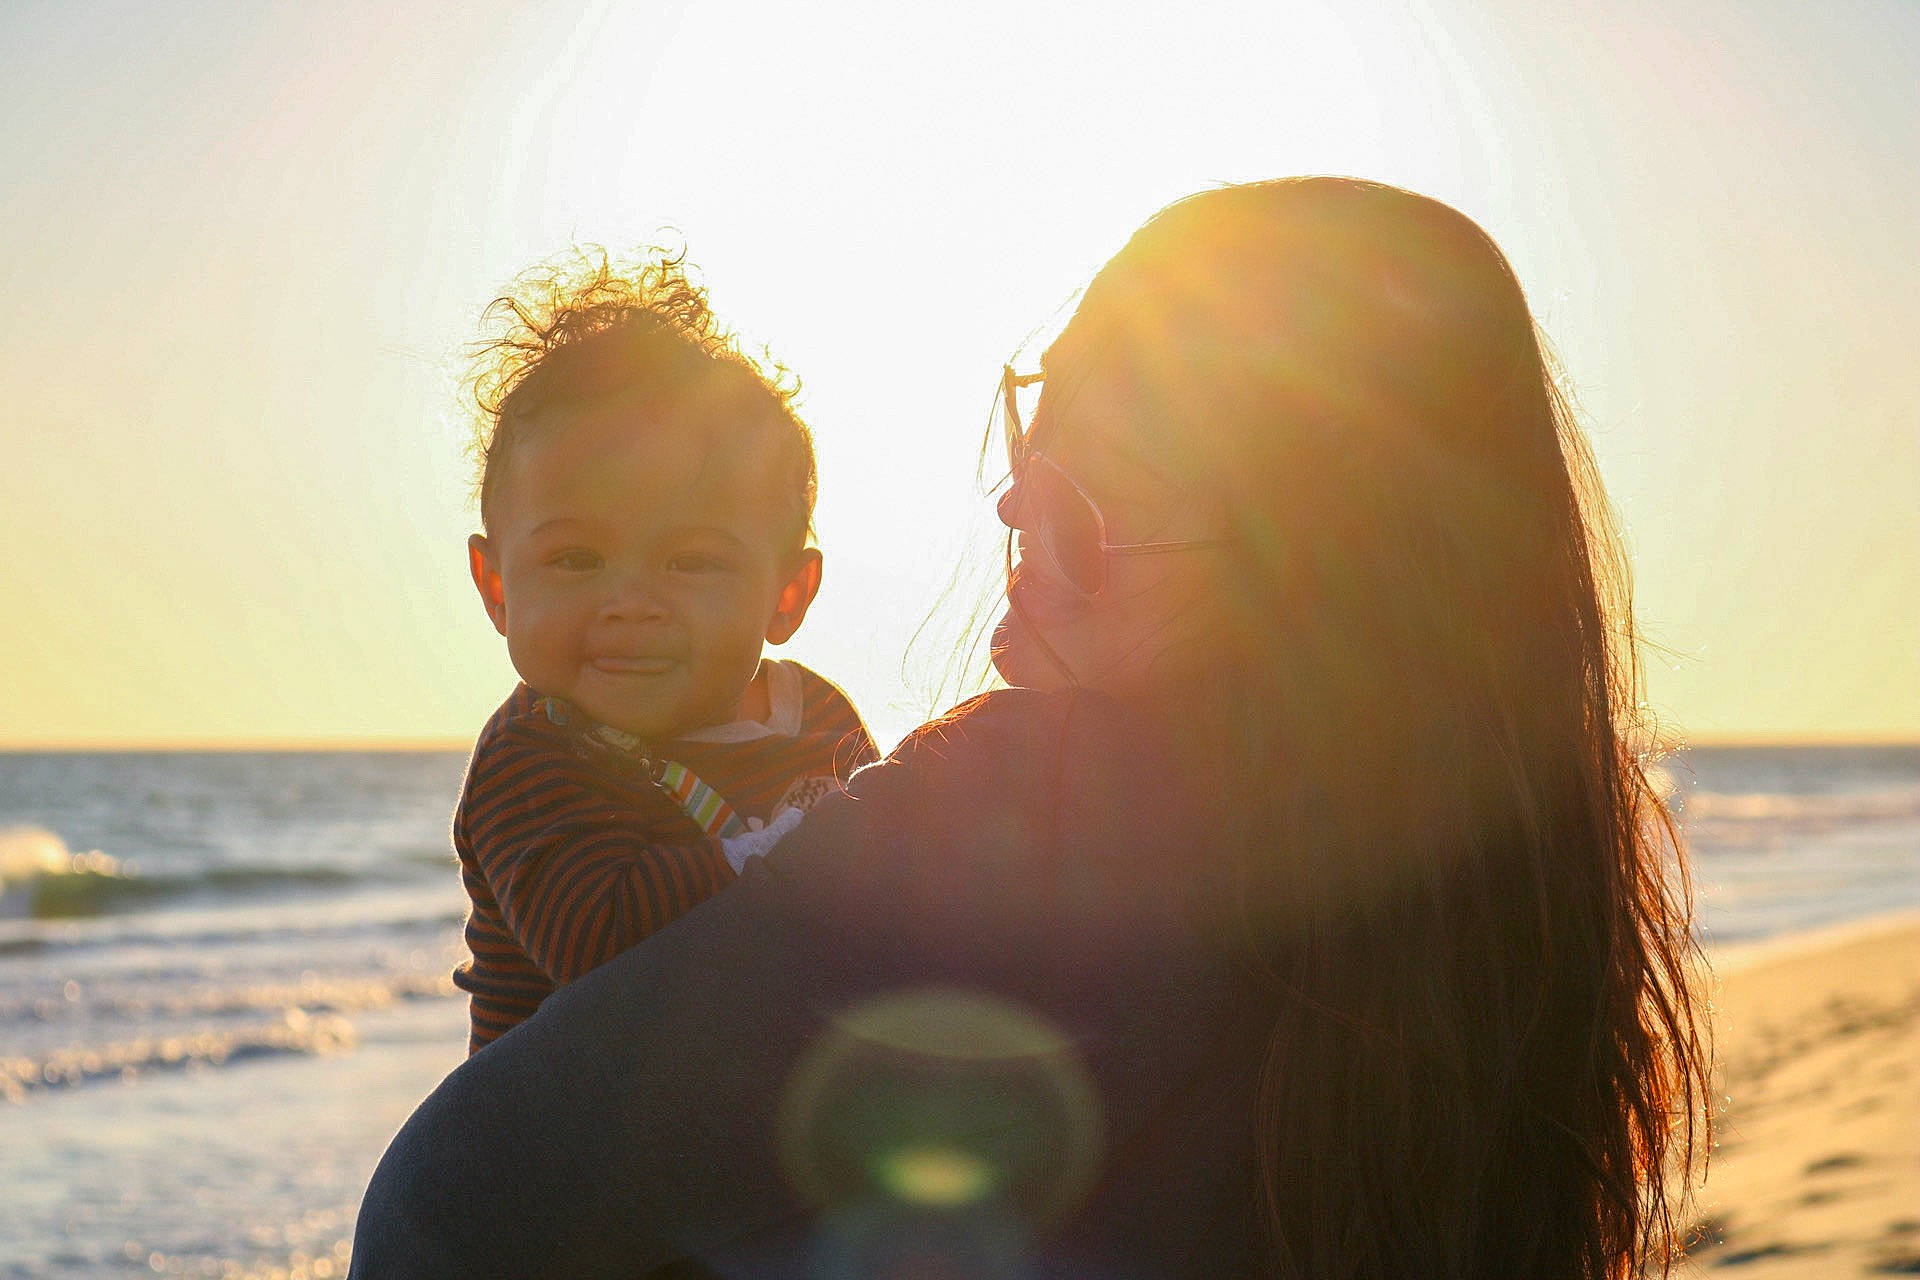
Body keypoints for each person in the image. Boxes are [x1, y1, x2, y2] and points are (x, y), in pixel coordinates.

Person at [352, 179, 1707, 1278]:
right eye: (1034, 441)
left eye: (1093, 507)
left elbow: (446, 1217)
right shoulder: (1501, 915)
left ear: (1328, 568)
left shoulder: (1045, 805)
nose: (1015, 513)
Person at [453, 251, 875, 1052]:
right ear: (497, 584)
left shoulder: (817, 717)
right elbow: (610, 945)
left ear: (787, 595)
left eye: (692, 561)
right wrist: (815, 849)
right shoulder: (538, 755)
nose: (632, 603)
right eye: (577, 559)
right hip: (559, 1153)